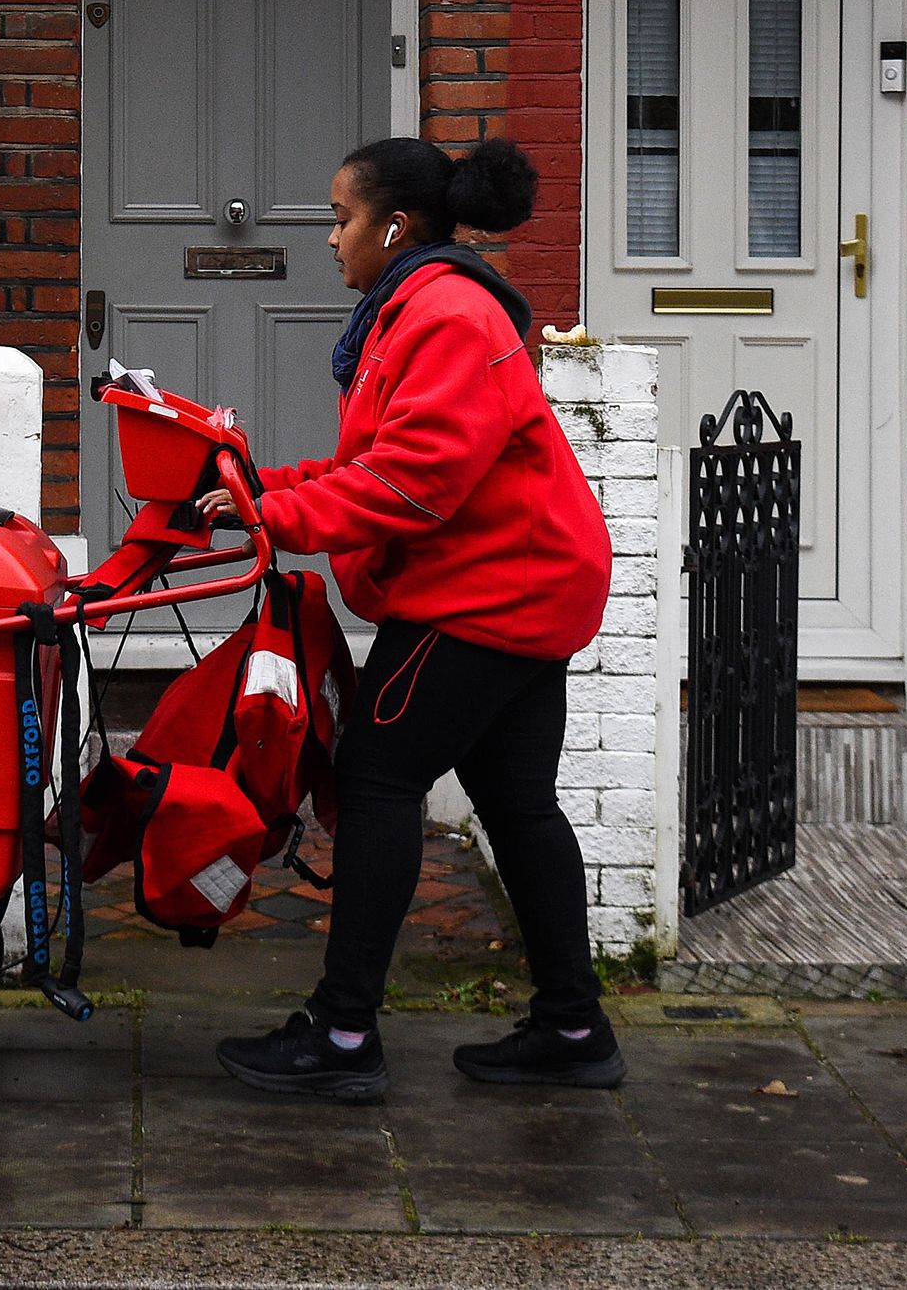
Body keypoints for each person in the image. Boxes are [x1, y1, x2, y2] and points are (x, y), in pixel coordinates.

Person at [203, 135, 620, 1101]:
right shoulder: (416, 308)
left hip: (487, 593)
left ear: (394, 226)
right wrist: (267, 486)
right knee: (518, 803)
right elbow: (376, 465)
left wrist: (280, 513)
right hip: (524, 579)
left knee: (378, 777)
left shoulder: (446, 315)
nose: (332, 240)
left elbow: (414, 481)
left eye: (340, 220)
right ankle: (571, 1023)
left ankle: (344, 1033)